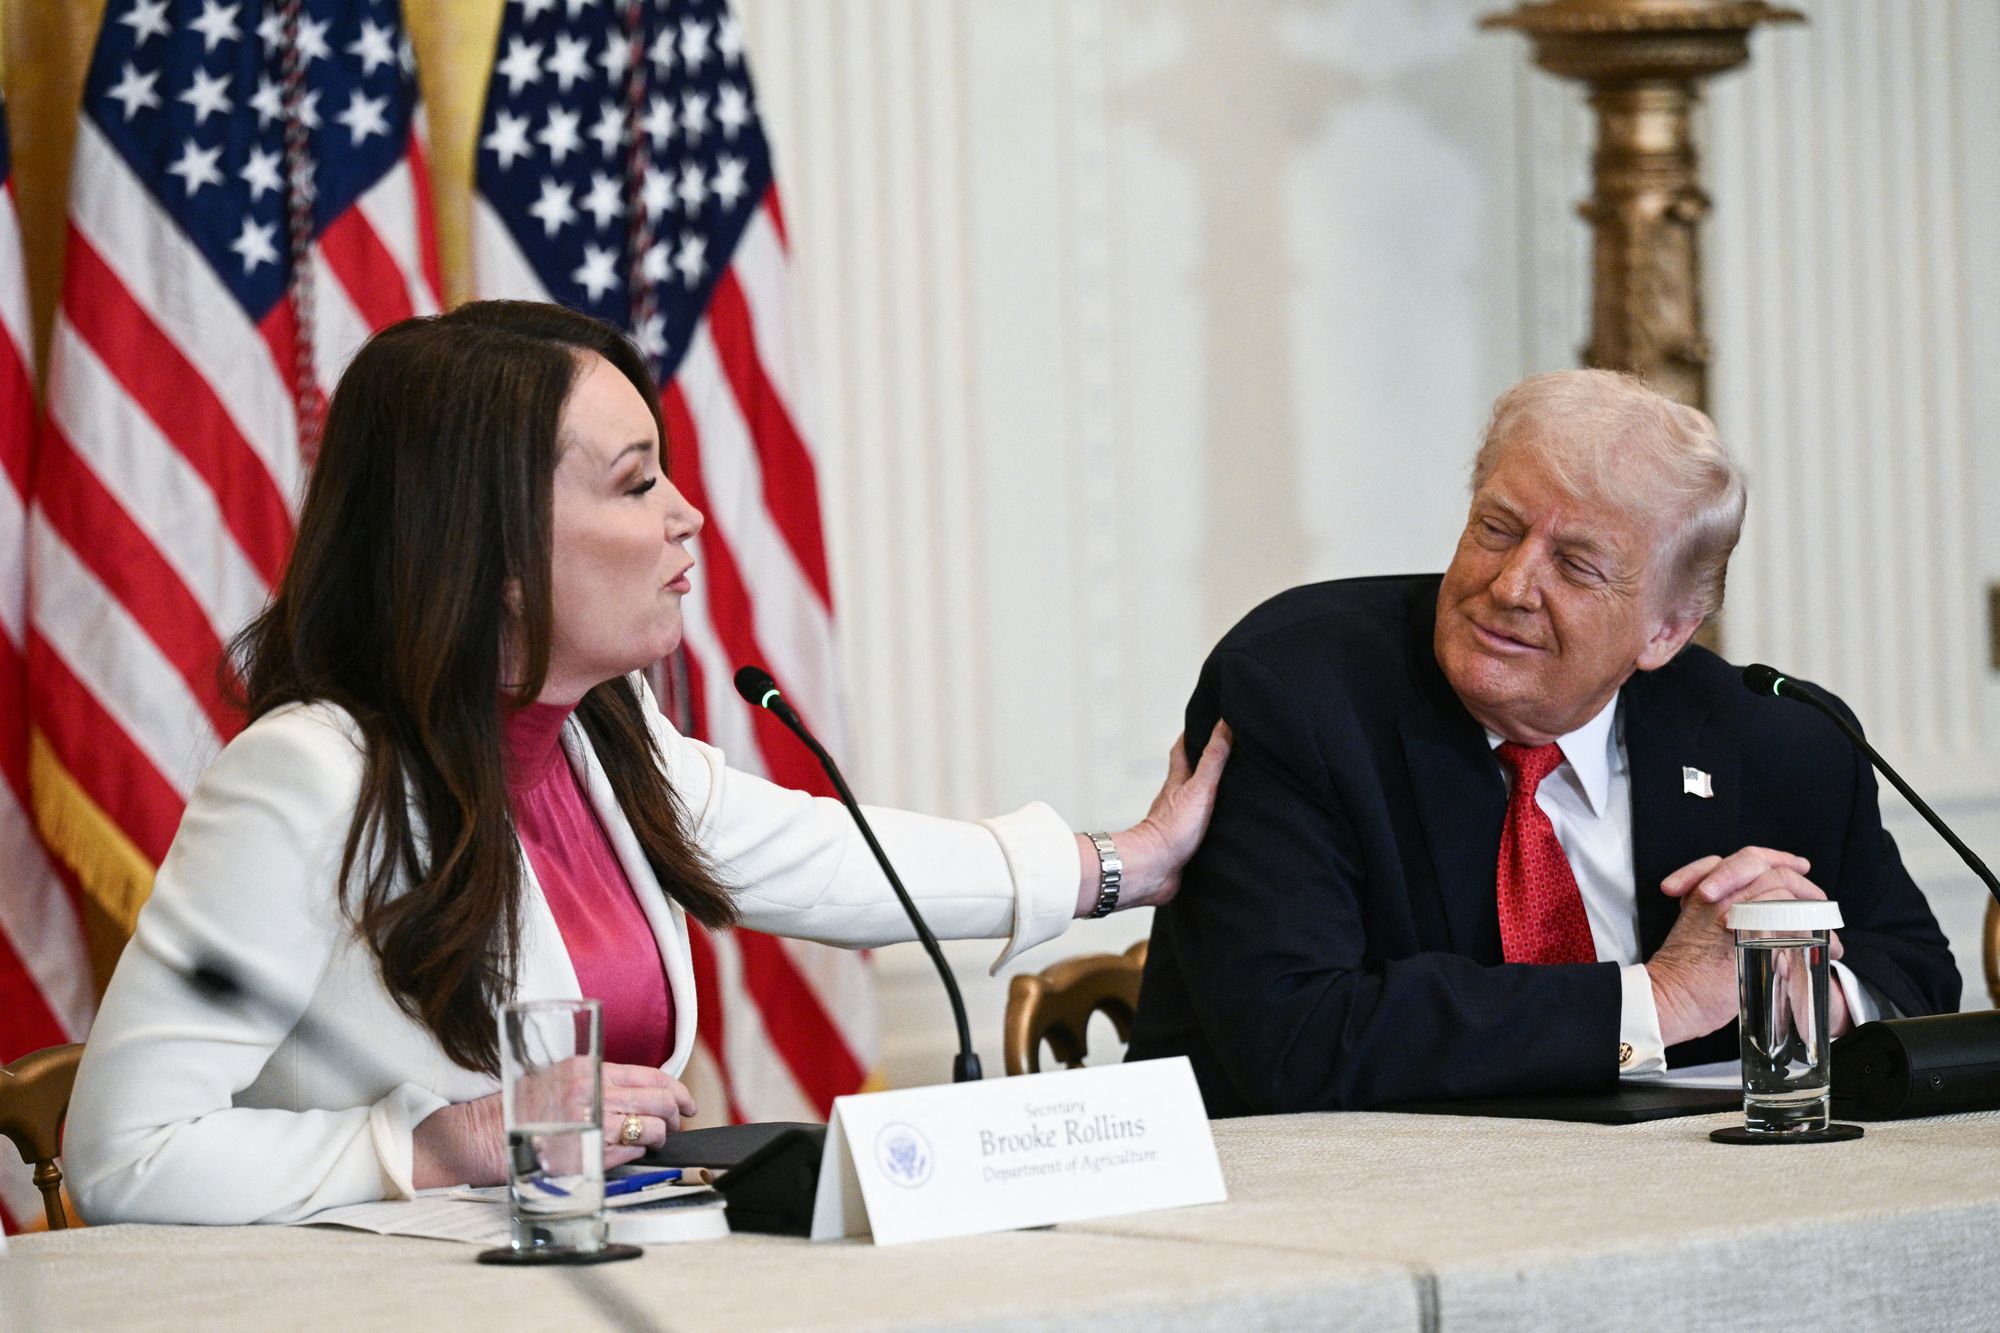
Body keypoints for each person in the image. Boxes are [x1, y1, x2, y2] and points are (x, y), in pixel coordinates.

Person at [64, 300, 1230, 1225]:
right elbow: (126, 1154)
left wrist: (1119, 865)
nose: (690, 517)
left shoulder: (601, 737)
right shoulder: (308, 778)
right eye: (636, 483)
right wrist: (431, 1143)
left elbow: (841, 863)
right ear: (491, 546)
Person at [1128, 369, 1958, 1115]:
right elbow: (1296, 1039)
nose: (1512, 584)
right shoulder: (1302, 691)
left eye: (1577, 564)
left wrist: (1791, 986)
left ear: (1667, 630)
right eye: (1497, 527)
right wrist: (1659, 1002)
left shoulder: (1777, 737)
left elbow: (1916, 971)